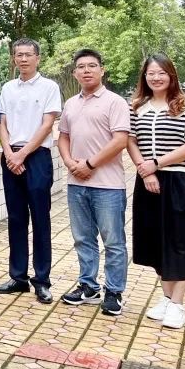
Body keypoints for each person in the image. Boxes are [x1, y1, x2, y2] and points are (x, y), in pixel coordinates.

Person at [128, 54, 185, 329]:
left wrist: (156, 164)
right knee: (154, 240)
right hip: (147, 180)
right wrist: (147, 170)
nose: (155, 77)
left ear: (171, 75)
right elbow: (130, 141)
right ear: (144, 77)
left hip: (179, 180)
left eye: (161, 73)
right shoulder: (137, 106)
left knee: (181, 241)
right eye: (150, 73)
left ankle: (178, 304)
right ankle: (166, 297)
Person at [57, 48, 130, 316]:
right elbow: (63, 135)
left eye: (92, 66)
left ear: (102, 70)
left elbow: (120, 140)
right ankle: (88, 285)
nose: (86, 70)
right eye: (81, 67)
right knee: (83, 238)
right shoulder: (71, 103)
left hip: (108, 185)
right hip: (76, 182)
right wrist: (69, 162)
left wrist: (89, 164)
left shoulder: (115, 102)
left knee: (113, 241)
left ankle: (114, 291)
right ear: (75, 73)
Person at [0, 38, 63, 304]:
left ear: (38, 58)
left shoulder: (49, 87)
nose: (22, 59)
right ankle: (18, 277)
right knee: (16, 218)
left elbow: (47, 124)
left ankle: (42, 280)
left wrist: (22, 153)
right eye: (18, 55)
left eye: (27, 55)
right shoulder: (8, 88)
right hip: (11, 156)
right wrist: (10, 153)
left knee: (40, 219)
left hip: (37, 157)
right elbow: (2, 122)